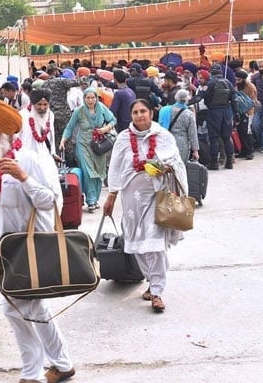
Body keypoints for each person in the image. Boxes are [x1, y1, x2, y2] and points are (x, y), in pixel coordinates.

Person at [0, 98, 74, 383]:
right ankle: (61, 364)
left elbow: (50, 201)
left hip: (33, 248)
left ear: (9, 134)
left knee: (21, 308)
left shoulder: (30, 159)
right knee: (28, 308)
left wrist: (24, 178)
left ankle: (34, 371)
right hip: (5, 251)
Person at [104, 99, 188, 312]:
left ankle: (157, 291)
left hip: (157, 195)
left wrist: (161, 168)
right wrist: (111, 197)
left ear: (151, 113)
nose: (139, 115)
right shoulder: (123, 138)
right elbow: (114, 168)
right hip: (131, 198)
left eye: (143, 111)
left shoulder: (163, 136)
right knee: (137, 244)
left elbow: (176, 163)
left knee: (155, 242)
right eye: (135, 112)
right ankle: (152, 280)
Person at [59, 87, 116, 211]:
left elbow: (113, 120)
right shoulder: (79, 111)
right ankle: (90, 200)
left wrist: (106, 129)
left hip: (98, 145)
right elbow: (69, 127)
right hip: (83, 145)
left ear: (96, 98)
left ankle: (95, 199)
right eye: (88, 97)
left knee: (99, 172)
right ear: (84, 98)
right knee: (88, 172)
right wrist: (63, 140)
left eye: (93, 97)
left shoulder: (101, 108)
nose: (90, 100)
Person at [18, 88, 57, 161]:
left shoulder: (50, 115)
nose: (42, 108)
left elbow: (51, 135)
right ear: (32, 104)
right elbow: (15, 137)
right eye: (39, 104)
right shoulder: (22, 115)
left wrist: (53, 152)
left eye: (45, 104)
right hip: (26, 157)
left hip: (44, 155)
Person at [160, 89, 199, 161]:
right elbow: (192, 133)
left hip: (168, 142)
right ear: (187, 99)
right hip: (183, 144)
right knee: (181, 167)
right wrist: (195, 151)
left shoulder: (166, 110)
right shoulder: (189, 114)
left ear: (176, 97)